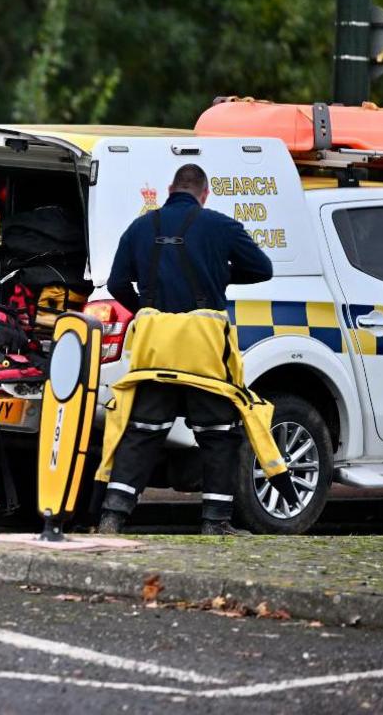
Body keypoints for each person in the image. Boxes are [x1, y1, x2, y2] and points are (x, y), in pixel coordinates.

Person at [99, 163, 278, 536]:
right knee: (218, 434)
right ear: (205, 193)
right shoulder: (220, 226)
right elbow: (263, 269)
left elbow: (117, 282)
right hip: (203, 348)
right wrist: (220, 273)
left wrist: (145, 311)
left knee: (142, 430)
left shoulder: (139, 227)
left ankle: (113, 517)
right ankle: (215, 522)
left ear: (169, 189)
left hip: (155, 346)